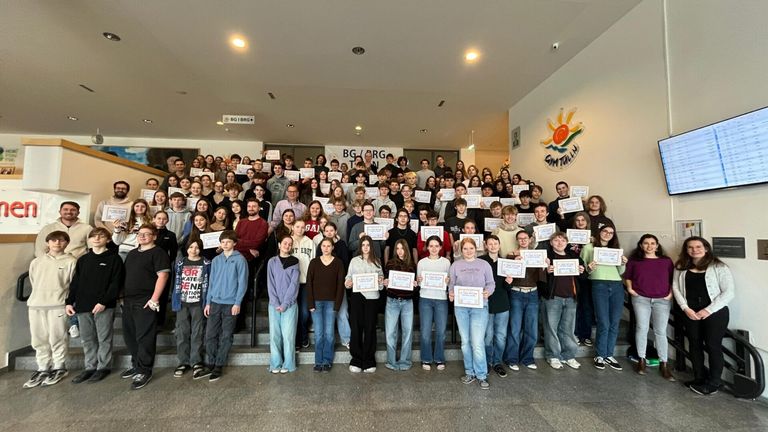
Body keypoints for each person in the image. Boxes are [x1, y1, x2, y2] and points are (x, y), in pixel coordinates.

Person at [672, 236, 734, 396]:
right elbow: (676, 288)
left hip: (714, 313)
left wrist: (708, 310)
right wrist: (686, 308)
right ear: (686, 250)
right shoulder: (681, 266)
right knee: (694, 344)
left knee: (713, 346)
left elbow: (728, 292)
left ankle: (714, 382)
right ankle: (699, 378)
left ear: (706, 248)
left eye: (698, 246)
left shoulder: (719, 267)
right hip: (691, 312)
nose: (694, 250)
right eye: (690, 247)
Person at [65, 228, 123, 384]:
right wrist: (69, 301)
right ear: (89, 240)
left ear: (108, 239)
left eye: (101, 236)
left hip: (104, 305)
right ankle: (90, 367)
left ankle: (103, 367)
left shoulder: (114, 259)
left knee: (104, 338)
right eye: (93, 236)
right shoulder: (83, 260)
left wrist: (104, 302)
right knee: (87, 338)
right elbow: (76, 283)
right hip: (83, 305)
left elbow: (115, 284)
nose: (97, 238)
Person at [23, 231, 77, 389]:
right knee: (38, 338)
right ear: (47, 243)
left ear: (67, 243)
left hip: (58, 304)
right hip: (36, 304)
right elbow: (33, 280)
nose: (57, 243)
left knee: (57, 337)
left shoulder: (71, 261)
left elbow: (72, 284)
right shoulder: (37, 262)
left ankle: (59, 366)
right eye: (53, 240)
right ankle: (43, 368)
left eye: (61, 240)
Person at [120, 224, 171, 390]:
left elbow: (162, 276)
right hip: (128, 300)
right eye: (140, 234)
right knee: (130, 335)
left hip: (146, 300)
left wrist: (154, 299)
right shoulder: (133, 253)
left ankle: (144, 370)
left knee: (145, 337)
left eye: (147, 234)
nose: (142, 237)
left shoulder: (158, 253)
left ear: (154, 236)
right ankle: (136, 363)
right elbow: (125, 276)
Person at [197, 230, 248, 381]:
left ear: (234, 243)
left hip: (230, 303)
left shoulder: (240, 260)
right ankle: (210, 363)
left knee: (226, 335)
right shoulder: (216, 260)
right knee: (210, 335)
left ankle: (219, 365)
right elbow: (211, 282)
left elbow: (242, 283)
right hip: (214, 302)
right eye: (223, 242)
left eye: (228, 242)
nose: (225, 244)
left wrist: (237, 302)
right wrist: (208, 302)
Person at [624, 234, 675, 381]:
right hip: (641, 299)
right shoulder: (635, 261)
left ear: (657, 246)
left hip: (662, 300)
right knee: (642, 328)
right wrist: (630, 289)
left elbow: (673, 279)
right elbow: (628, 276)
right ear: (641, 245)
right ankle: (641, 359)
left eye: (653, 243)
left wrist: (670, 294)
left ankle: (664, 363)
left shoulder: (666, 261)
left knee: (660, 331)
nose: (649, 246)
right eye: (646, 243)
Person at [449, 237, 495, 389]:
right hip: (461, 308)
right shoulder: (456, 265)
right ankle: (470, 372)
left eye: (471, 248)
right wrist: (451, 293)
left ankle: (481, 374)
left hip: (479, 307)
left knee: (477, 342)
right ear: (461, 251)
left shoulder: (484, 264)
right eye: (465, 249)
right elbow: (452, 284)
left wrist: (487, 292)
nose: (468, 251)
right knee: (465, 342)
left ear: (476, 249)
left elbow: (490, 283)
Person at [581, 223, 627, 371]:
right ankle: (600, 354)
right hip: (598, 284)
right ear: (599, 232)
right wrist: (589, 268)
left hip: (617, 285)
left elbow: (620, 271)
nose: (607, 234)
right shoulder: (589, 248)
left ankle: (609, 354)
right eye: (605, 231)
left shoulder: (616, 250)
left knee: (614, 322)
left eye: (611, 232)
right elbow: (583, 269)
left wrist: (623, 263)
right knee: (603, 322)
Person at [541, 232, 586, 370]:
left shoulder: (575, 258)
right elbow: (539, 279)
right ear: (551, 243)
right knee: (551, 328)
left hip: (571, 298)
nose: (559, 243)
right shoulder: (547, 258)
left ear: (567, 243)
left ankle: (569, 356)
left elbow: (583, 278)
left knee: (568, 329)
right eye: (556, 240)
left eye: (562, 240)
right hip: (553, 298)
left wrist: (582, 270)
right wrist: (546, 271)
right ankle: (553, 356)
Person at [504, 230, 545, 371]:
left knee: (531, 330)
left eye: (525, 238)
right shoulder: (511, 255)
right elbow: (506, 276)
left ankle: (527, 359)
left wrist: (544, 265)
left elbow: (541, 278)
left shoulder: (537, 255)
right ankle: (511, 359)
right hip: (516, 293)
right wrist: (513, 262)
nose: (522, 240)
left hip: (533, 294)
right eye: (520, 239)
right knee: (515, 329)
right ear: (517, 241)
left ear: (530, 239)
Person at [171, 239, 211, 378]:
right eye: (191, 247)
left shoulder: (206, 263)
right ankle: (183, 361)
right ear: (186, 249)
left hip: (198, 303)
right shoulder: (180, 263)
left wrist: (208, 302)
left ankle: (196, 361)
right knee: (182, 332)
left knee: (197, 332)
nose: (194, 250)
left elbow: (210, 283)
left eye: (197, 247)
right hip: (182, 302)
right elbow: (174, 282)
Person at [345, 236, 385, 373]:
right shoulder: (354, 261)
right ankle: (356, 359)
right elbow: (348, 277)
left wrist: (380, 280)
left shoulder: (377, 262)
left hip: (372, 298)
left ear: (371, 247)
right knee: (356, 328)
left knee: (370, 329)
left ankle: (369, 359)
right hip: (357, 297)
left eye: (368, 245)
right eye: (363, 245)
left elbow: (381, 285)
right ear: (360, 246)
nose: (366, 247)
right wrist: (348, 283)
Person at [307, 238, 346, 372]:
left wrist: (337, 304)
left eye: (329, 246)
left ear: (332, 247)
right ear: (320, 247)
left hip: (331, 303)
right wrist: (310, 303)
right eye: (323, 246)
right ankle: (318, 361)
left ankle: (327, 361)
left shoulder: (338, 263)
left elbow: (341, 285)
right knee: (318, 333)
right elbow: (309, 284)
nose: (326, 248)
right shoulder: (314, 262)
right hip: (316, 302)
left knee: (329, 333)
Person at [267, 235, 300, 374]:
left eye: (289, 244)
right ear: (280, 245)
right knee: (274, 335)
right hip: (274, 304)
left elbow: (294, 285)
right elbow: (270, 283)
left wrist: (285, 304)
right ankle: (275, 363)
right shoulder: (272, 262)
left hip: (290, 304)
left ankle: (289, 364)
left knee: (288, 335)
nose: (287, 245)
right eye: (285, 243)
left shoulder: (295, 262)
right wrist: (275, 303)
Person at [417, 236, 451, 371]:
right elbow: (419, 283)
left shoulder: (446, 263)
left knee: (441, 331)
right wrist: (419, 280)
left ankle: (439, 358)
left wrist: (448, 281)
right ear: (427, 247)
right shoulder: (421, 262)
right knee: (425, 331)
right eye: (431, 246)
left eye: (437, 246)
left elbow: (449, 282)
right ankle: (426, 358)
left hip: (441, 299)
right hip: (425, 298)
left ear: (441, 247)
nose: (434, 248)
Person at [480, 235, 513, 378]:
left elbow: (507, 288)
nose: (493, 246)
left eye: (495, 243)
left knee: (500, 336)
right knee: (487, 336)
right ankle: (487, 362)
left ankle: (497, 362)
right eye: (490, 244)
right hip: (486, 303)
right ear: (486, 245)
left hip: (502, 303)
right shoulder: (480, 262)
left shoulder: (505, 263)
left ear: (499, 245)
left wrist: (509, 282)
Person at [384, 239, 417, 371]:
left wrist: (415, 285)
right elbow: (386, 282)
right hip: (392, 301)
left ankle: (405, 361)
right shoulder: (390, 263)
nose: (400, 251)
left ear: (406, 249)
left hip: (407, 302)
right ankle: (391, 361)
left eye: (402, 248)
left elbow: (414, 286)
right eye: (397, 248)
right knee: (390, 332)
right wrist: (385, 282)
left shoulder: (412, 265)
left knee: (407, 332)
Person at [291, 219, 316, 349]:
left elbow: (313, 263)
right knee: (293, 312)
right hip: (291, 283)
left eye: (302, 227)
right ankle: (296, 341)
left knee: (305, 313)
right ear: (293, 227)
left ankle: (303, 336)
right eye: (297, 226)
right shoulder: (288, 241)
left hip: (306, 282)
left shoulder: (310, 242)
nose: (300, 229)